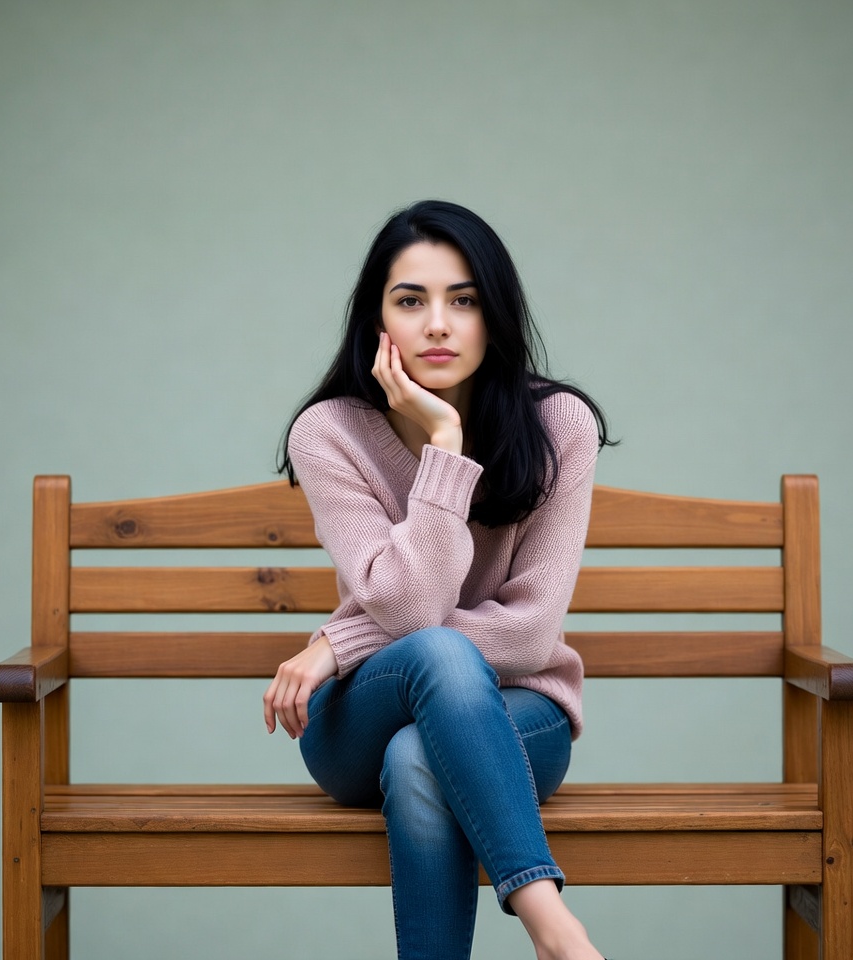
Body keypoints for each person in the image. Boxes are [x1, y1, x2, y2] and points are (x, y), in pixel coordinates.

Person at [263, 200, 614, 960]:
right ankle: (554, 927)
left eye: (464, 299)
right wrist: (445, 446)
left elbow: (526, 638)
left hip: (521, 719)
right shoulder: (329, 433)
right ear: (376, 320)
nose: (439, 325)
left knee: (419, 754)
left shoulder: (561, 428)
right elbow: (413, 607)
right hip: (354, 724)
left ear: (496, 315)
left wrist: (337, 638)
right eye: (410, 300)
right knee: (440, 660)